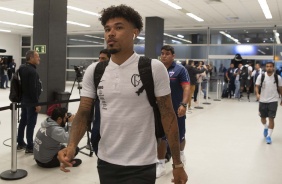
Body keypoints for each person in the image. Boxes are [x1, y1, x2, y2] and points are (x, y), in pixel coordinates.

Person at [58, 5, 188, 184]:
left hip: (142, 163)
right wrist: (71, 145)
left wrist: (177, 164)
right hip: (106, 160)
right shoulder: (94, 71)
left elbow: (168, 116)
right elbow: (84, 112)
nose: (111, 33)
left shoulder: (153, 68)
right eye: (107, 29)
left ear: (134, 32)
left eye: (118, 27)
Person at [157, 45, 190, 178]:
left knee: (179, 135)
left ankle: (181, 153)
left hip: (177, 110)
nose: (164, 56)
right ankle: (160, 163)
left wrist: (183, 104)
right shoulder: (157, 69)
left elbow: (187, 88)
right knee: (162, 137)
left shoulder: (180, 69)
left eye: (167, 54)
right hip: (160, 110)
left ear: (173, 56)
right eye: (162, 53)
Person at [17, 50, 42, 153]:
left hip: (24, 99)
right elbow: (33, 89)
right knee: (31, 123)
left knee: (23, 121)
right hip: (31, 101)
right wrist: (36, 104)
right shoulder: (32, 71)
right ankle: (30, 146)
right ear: (31, 58)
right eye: (37, 57)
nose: (39, 58)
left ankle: (20, 142)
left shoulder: (22, 68)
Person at [255, 61, 282, 144]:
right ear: (265, 67)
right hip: (263, 101)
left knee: (271, 118)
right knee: (263, 119)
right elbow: (257, 86)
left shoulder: (278, 77)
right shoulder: (261, 76)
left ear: (273, 67)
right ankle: (266, 127)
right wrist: (257, 93)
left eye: (270, 66)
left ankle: (269, 136)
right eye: (267, 66)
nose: (269, 68)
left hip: (273, 101)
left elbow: (280, 88)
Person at [91, 49, 111, 155]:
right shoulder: (96, 72)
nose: (100, 60)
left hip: (112, 107)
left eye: (103, 58)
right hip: (99, 103)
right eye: (99, 58)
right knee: (96, 129)